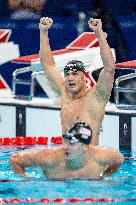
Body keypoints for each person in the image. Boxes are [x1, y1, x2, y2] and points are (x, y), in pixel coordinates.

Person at [39, 17, 115, 145]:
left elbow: (109, 68)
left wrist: (99, 34)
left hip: (88, 160)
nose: (70, 78)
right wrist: (43, 32)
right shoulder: (64, 92)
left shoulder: (97, 97)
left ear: (84, 77)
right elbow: (48, 65)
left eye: (74, 74)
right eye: (67, 74)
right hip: (68, 158)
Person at [10, 122, 124, 179]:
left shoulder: (100, 157)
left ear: (85, 146)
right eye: (66, 141)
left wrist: (104, 175)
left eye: (73, 143)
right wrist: (26, 179)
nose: (67, 146)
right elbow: (15, 159)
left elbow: (120, 159)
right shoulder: (49, 158)